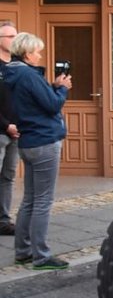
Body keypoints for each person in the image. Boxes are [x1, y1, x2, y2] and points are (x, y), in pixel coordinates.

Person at [3, 32, 73, 270]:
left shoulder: (11, 73)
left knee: (30, 200)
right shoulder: (28, 75)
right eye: (37, 52)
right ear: (26, 53)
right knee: (43, 201)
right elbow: (52, 105)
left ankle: (23, 251)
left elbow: (34, 101)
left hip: (28, 141)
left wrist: (52, 86)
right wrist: (62, 89)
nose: (40, 56)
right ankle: (41, 256)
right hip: (44, 141)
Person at [0, 20, 20, 236]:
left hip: (17, 133)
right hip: (2, 131)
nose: (14, 40)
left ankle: (4, 220)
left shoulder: (17, 65)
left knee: (8, 177)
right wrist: (6, 125)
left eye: (16, 35)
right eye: (10, 36)